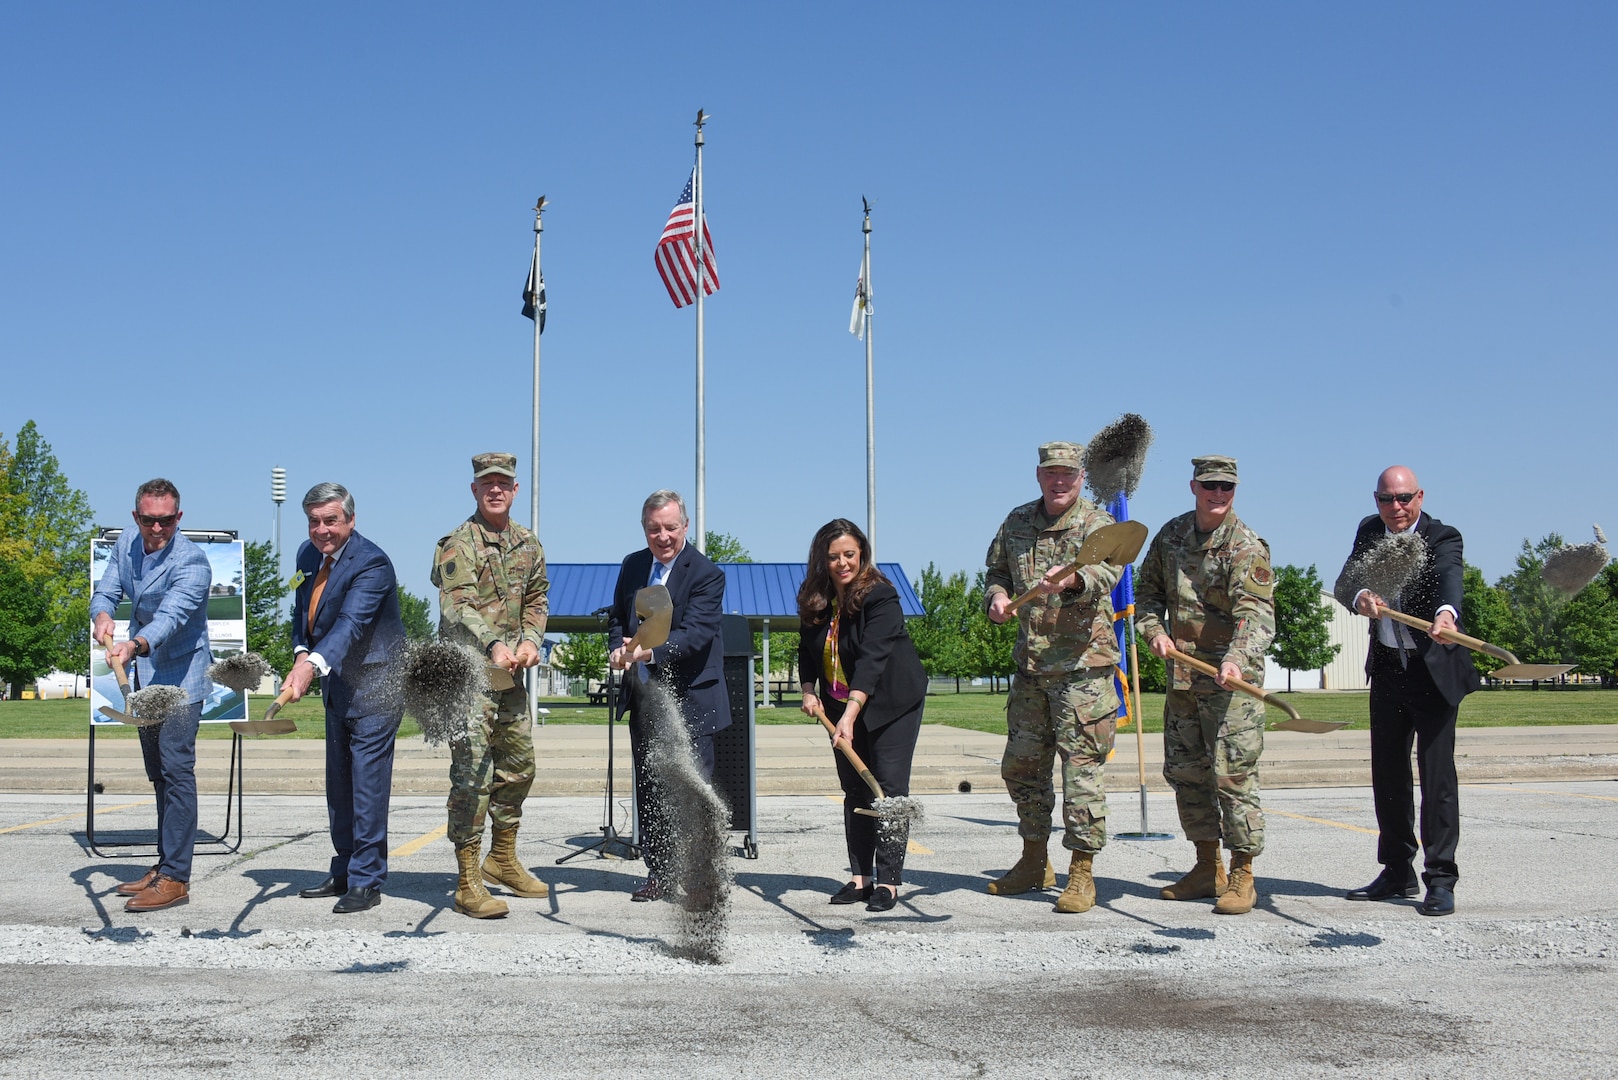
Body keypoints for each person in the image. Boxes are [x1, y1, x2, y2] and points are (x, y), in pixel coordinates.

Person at [983, 441, 1124, 914]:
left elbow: (1107, 573)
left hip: (1083, 671)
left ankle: (1081, 871)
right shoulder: (1017, 521)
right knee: (1021, 769)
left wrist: (1073, 580)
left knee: (1081, 775)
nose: (1059, 481)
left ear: (1081, 477)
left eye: (1068, 474)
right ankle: (1033, 860)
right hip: (1031, 669)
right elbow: (996, 572)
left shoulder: (1097, 524)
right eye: (1051, 473)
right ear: (1039, 476)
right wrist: (997, 600)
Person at [1333, 465, 1478, 917]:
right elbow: (1347, 582)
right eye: (1385, 499)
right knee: (1389, 777)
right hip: (1389, 670)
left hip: (1432, 672)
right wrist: (1360, 597)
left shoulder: (1442, 536)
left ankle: (1441, 878)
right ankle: (1398, 870)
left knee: (1436, 780)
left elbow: (1449, 579)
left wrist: (1447, 615)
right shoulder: (1369, 531)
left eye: (1404, 499)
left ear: (1419, 497)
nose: (1395, 508)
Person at [1135, 455, 1276, 915]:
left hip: (1231, 683)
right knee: (1187, 773)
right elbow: (1147, 593)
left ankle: (1242, 874)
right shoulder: (1172, 535)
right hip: (1183, 677)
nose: (1219, 494)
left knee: (1231, 776)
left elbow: (1254, 615)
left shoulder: (1246, 546)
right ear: (1193, 486)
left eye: (1227, 487)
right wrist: (1154, 630)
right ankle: (1205, 866)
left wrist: (1235, 660)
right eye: (1211, 485)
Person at [432, 453, 550, 919]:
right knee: (472, 777)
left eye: (504, 483)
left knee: (520, 767)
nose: (496, 490)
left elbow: (538, 598)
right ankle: (467, 882)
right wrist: (497, 643)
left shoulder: (528, 543)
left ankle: (502, 859)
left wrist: (531, 640)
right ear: (475, 490)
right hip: (468, 679)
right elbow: (457, 606)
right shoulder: (456, 544)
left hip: (510, 679)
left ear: (515, 489)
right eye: (487, 484)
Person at [90, 478, 213, 912]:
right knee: (159, 772)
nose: (156, 528)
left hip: (182, 676)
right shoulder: (126, 542)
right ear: (135, 517)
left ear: (178, 518)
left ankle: (177, 878)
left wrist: (134, 645)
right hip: (146, 677)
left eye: (164, 521)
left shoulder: (193, 562)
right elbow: (106, 590)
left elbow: (171, 617)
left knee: (178, 769)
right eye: (148, 520)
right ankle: (164, 865)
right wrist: (102, 614)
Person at [284, 482, 407, 914]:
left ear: (351, 520)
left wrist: (309, 667)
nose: (322, 530)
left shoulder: (372, 564)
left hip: (377, 687)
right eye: (315, 521)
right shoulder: (306, 556)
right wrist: (301, 652)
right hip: (336, 686)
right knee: (339, 787)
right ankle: (344, 869)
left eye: (331, 520)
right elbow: (305, 614)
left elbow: (350, 626)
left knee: (366, 786)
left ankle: (367, 880)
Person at [798, 519, 928, 913]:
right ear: (822, 559)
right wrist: (808, 691)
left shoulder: (881, 596)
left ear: (862, 554)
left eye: (849, 555)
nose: (842, 564)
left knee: (886, 790)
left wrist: (851, 714)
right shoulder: (816, 598)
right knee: (854, 789)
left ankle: (888, 882)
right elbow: (806, 649)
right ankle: (861, 877)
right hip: (838, 703)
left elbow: (873, 659)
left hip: (891, 703)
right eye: (833, 556)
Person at [607, 490, 730, 901]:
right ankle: (659, 872)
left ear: (686, 526)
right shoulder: (632, 566)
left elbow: (696, 635)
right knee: (652, 789)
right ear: (644, 528)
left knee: (694, 792)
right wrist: (618, 648)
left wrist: (650, 651)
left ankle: (699, 879)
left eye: (670, 528)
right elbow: (615, 618)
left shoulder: (707, 574)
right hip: (646, 699)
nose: (663, 537)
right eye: (654, 528)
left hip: (693, 701)